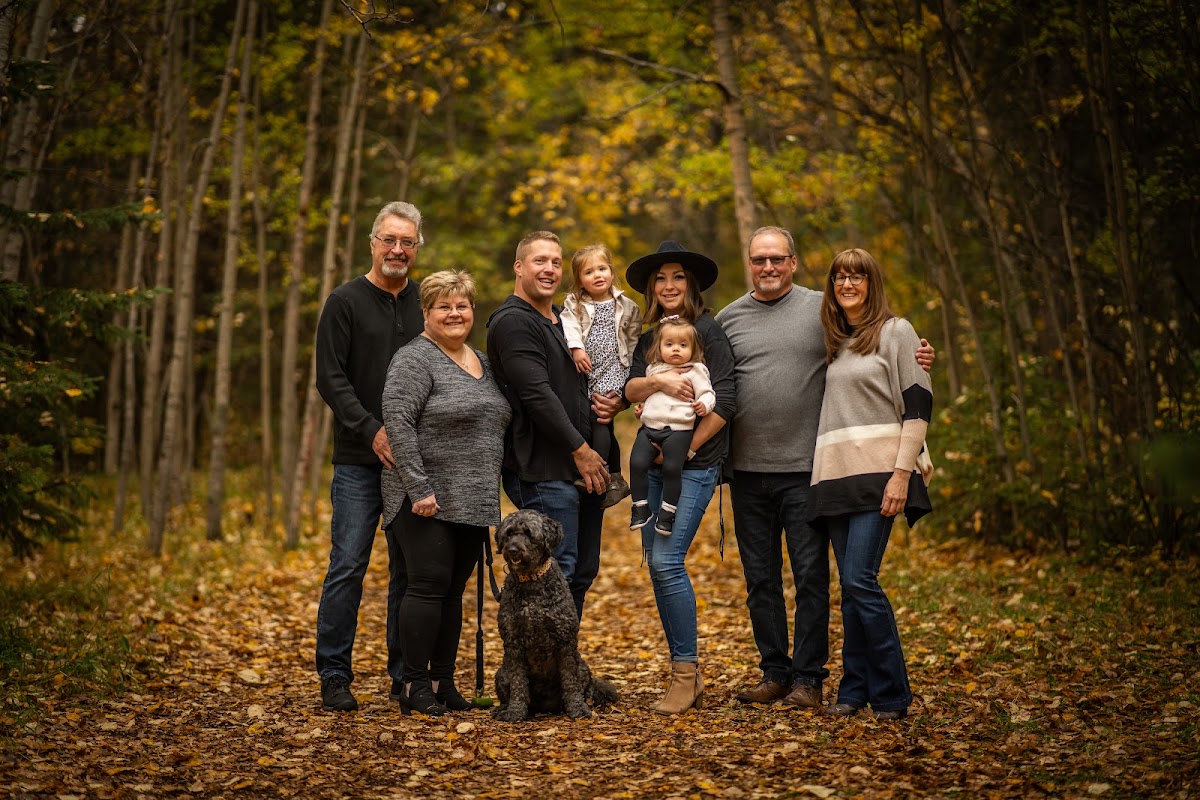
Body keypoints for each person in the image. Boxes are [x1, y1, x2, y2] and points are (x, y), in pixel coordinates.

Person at [714, 226, 933, 711]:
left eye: (777, 258)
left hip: (809, 471)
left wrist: (919, 356)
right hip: (752, 472)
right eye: (759, 259)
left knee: (817, 579)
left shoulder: (823, 311)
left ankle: (810, 680)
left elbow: (891, 359)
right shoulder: (731, 318)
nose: (768, 267)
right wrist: (650, 391)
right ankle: (778, 673)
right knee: (762, 580)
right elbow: (697, 368)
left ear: (793, 262)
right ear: (749, 263)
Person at [809, 248, 933, 721]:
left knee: (861, 579)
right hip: (836, 474)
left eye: (857, 276)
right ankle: (853, 690)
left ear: (871, 284)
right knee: (850, 587)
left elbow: (918, 406)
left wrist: (902, 473)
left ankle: (892, 693)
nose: (847, 284)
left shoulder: (897, 331)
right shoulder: (836, 341)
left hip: (880, 473)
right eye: (839, 277)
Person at [381, 270, 512, 717]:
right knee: (426, 586)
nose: (454, 313)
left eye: (462, 306)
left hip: (473, 499)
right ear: (426, 312)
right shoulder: (414, 359)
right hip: (424, 498)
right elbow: (398, 424)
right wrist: (418, 487)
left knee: (453, 592)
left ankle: (443, 682)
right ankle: (414, 685)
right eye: (444, 306)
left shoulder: (482, 361)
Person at [314, 201, 425, 712]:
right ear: (373, 243)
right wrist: (371, 430)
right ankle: (335, 675)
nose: (398, 250)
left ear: (417, 248)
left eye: (407, 242)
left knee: (409, 571)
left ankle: (405, 676)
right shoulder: (345, 301)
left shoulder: (427, 301)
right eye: (390, 240)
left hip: (414, 464)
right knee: (348, 565)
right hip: (359, 459)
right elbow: (330, 378)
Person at [485, 231, 625, 619]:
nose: (549, 269)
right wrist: (580, 450)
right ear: (519, 267)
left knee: (581, 571)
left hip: (586, 467)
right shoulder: (513, 322)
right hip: (545, 468)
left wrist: (619, 400)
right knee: (555, 572)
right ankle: (535, 655)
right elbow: (536, 395)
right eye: (539, 261)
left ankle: (563, 653)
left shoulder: (565, 321)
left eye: (556, 262)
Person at [623, 241, 736, 715]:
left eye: (678, 277)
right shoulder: (650, 337)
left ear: (691, 284)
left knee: (668, 561)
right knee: (656, 562)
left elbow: (725, 402)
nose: (668, 286)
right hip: (652, 467)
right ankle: (685, 670)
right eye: (660, 279)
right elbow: (631, 388)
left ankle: (685, 675)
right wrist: (657, 383)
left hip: (694, 466)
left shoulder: (708, 330)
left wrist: (684, 449)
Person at [561, 244, 644, 508]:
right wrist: (576, 348)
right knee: (598, 422)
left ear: (611, 271)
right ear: (579, 280)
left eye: (602, 268)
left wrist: (628, 373)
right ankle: (614, 478)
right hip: (589, 370)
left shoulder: (627, 306)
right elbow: (570, 326)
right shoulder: (574, 303)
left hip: (613, 369)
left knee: (599, 418)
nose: (597, 275)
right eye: (589, 272)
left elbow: (633, 339)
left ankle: (601, 472)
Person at [627, 316, 716, 535]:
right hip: (650, 428)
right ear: (659, 347)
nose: (676, 349)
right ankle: (640, 507)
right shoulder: (653, 370)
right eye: (669, 344)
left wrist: (704, 405)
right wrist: (642, 409)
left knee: (671, 468)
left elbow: (708, 393)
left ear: (693, 349)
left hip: (678, 430)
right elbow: (651, 396)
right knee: (637, 462)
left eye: (683, 345)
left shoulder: (695, 370)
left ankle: (667, 513)